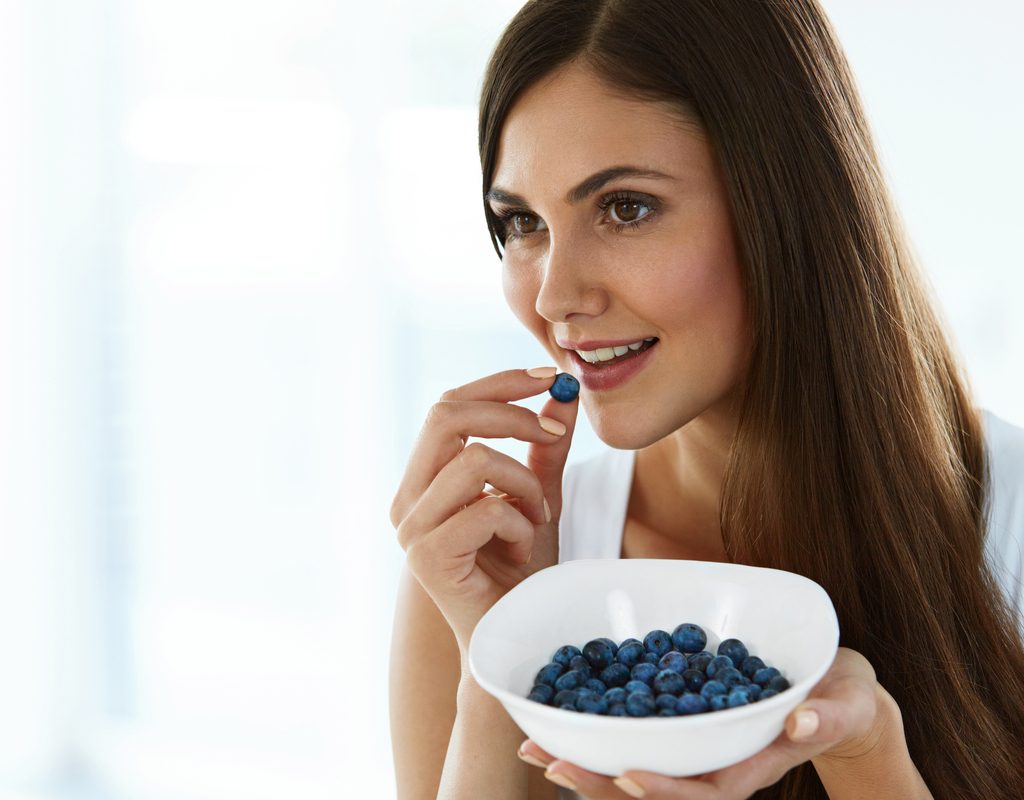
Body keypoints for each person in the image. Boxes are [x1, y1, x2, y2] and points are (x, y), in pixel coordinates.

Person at [388, 1, 1024, 798]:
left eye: (625, 208)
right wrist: (505, 663)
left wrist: (868, 762)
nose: (553, 298)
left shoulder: (1010, 522)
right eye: (522, 222)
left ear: (784, 205)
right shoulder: (486, 566)